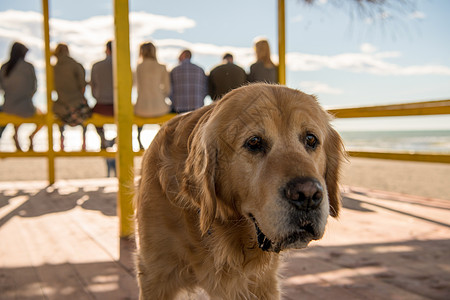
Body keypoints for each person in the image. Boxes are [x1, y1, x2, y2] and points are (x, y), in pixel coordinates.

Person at [0, 42, 42, 151]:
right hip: (26, 107)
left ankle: (16, 136)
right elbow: (34, 88)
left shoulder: (5, 67)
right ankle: (31, 136)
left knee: (14, 111)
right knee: (41, 117)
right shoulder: (28, 67)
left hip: (7, 107)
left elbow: (1, 88)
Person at [52, 43, 90, 151]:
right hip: (76, 104)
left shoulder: (53, 68)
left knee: (59, 118)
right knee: (86, 116)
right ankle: (84, 141)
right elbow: (82, 87)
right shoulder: (76, 65)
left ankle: (62, 141)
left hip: (60, 106)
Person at [134, 42, 171, 150]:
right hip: (160, 107)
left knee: (136, 114)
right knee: (164, 123)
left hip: (141, 108)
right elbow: (167, 90)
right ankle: (163, 143)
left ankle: (139, 140)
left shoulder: (138, 67)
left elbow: (134, 85)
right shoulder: (162, 67)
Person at [91, 41, 114, 149]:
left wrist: (98, 96)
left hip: (101, 105)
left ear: (107, 50)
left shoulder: (96, 66)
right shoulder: (123, 65)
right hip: (118, 107)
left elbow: (93, 87)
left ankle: (103, 138)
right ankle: (116, 139)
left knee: (92, 117)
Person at [170, 49, 207, 113]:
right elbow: (205, 89)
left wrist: (173, 101)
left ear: (183, 56)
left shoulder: (174, 70)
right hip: (197, 106)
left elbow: (170, 89)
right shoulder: (200, 70)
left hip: (179, 107)